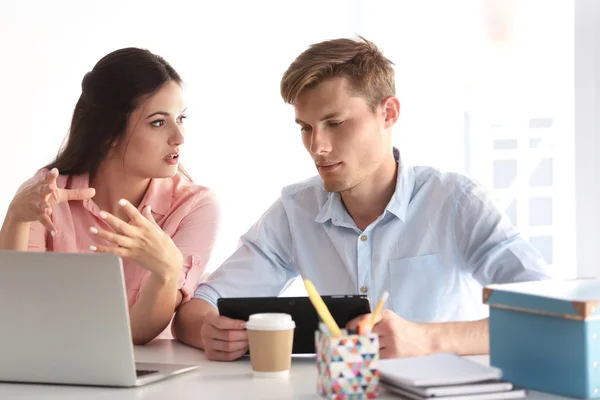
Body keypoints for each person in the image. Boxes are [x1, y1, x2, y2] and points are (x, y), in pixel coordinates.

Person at [173, 37, 551, 360]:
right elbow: (196, 311)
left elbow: (553, 316)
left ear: (388, 113)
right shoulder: (295, 210)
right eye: (306, 128)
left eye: (335, 123)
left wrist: (428, 338)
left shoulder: (457, 202)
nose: (317, 146)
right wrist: (211, 331)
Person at [0, 48, 220, 345]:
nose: (179, 137)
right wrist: (15, 219)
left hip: (143, 376)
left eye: (181, 118)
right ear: (109, 132)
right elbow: (15, 304)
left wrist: (168, 269)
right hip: (48, 364)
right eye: (158, 122)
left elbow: (137, 333)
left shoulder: (195, 207)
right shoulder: (47, 191)